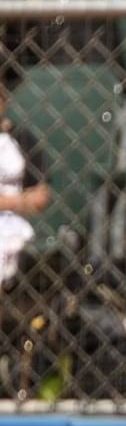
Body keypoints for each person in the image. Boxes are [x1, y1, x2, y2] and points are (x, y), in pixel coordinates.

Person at [0, 73, 50, 289]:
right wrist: (20, 200)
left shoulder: (21, 138)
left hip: (10, 225)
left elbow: (40, 197)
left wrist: (7, 203)